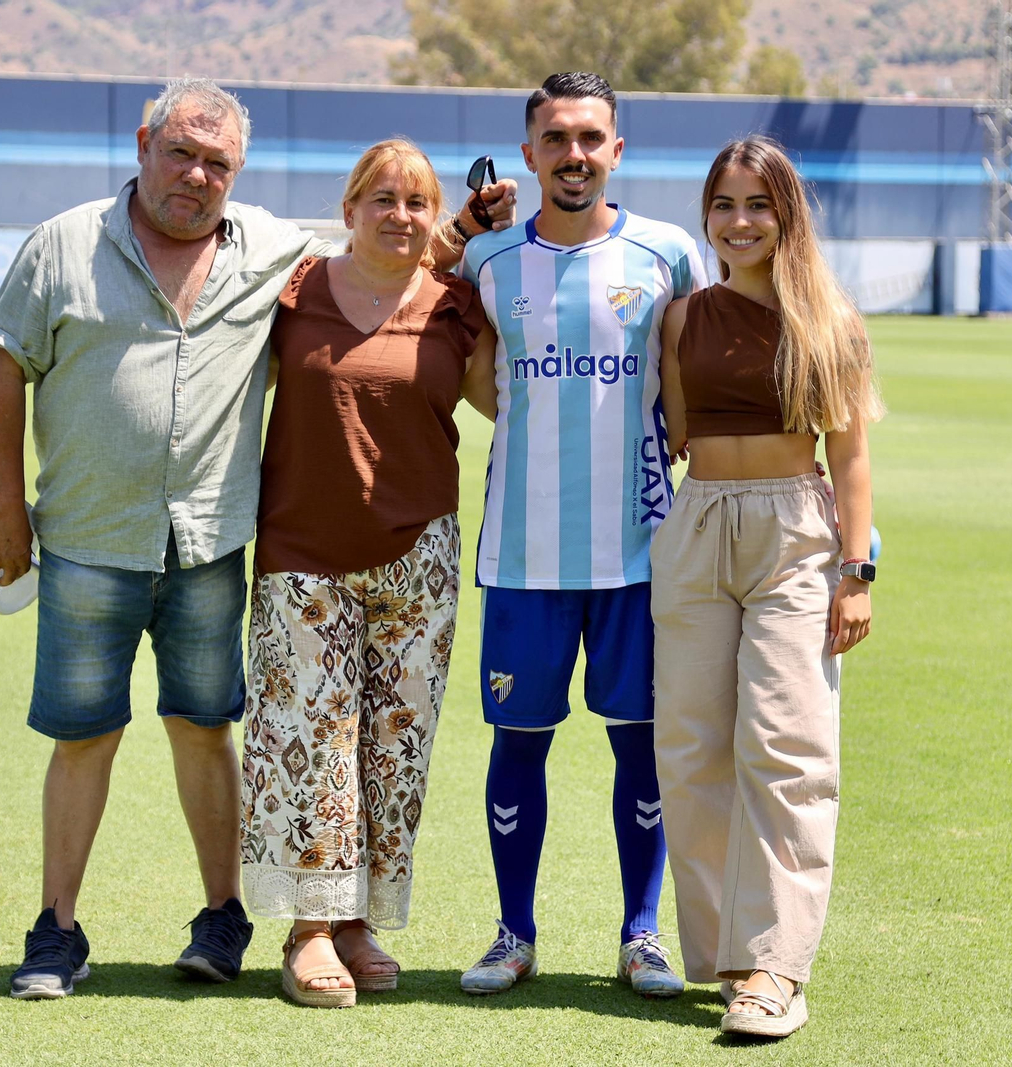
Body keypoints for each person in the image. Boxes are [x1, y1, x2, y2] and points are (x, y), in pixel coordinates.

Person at [0, 78, 516, 1000]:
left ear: (239, 173)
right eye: (181, 152)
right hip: (100, 539)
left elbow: (403, 251)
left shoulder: (287, 257)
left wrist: (460, 228)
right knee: (92, 734)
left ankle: (255, 919)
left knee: (213, 726)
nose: (195, 174)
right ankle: (62, 929)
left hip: (216, 543)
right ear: (144, 143)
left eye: (217, 162)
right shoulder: (83, 247)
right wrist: (7, 508)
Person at [457, 72, 706, 999]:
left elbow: (688, 374)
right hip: (522, 555)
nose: (574, 154)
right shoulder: (487, 261)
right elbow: (477, 379)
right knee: (518, 741)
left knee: (640, 744)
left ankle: (641, 933)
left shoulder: (669, 252)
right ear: (529, 154)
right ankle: (513, 932)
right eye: (555, 138)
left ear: (616, 150)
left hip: (642, 553)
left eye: (590, 138)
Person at [239, 138, 498, 1009]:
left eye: (418, 202)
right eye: (381, 199)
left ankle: (359, 921)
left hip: (417, 554)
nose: (400, 215)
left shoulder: (460, 306)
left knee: (395, 747)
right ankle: (310, 928)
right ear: (348, 210)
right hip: (300, 553)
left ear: (436, 220)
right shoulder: (294, 292)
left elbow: (513, 398)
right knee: (309, 740)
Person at [651, 135, 885, 1038]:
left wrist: (856, 573)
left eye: (758, 204)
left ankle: (777, 969)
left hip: (796, 531)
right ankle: (724, 957)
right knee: (693, 747)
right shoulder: (681, 317)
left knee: (787, 748)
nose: (740, 222)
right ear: (706, 215)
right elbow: (670, 430)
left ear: (786, 213)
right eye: (724, 204)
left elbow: (853, 458)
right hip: (698, 519)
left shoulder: (830, 320)